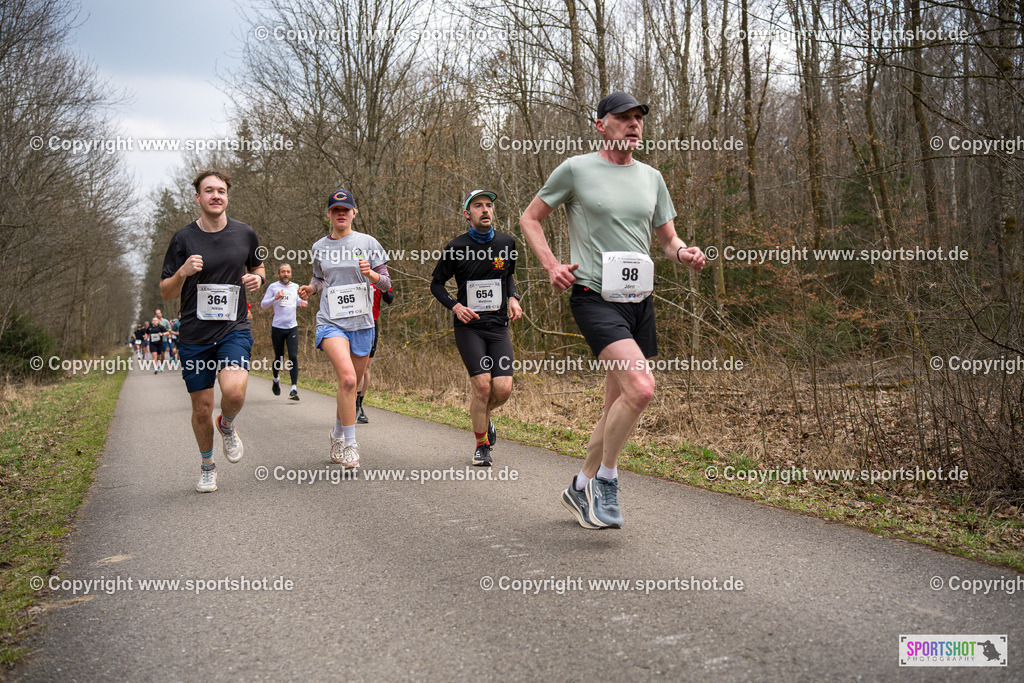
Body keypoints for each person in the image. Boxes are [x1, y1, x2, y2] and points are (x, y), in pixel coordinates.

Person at [520, 91, 706, 529]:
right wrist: (551, 265)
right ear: (600, 124)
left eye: (639, 117)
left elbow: (667, 240)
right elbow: (530, 218)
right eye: (623, 117)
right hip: (594, 296)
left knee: (617, 404)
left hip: (639, 301)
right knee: (641, 389)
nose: (634, 123)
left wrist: (686, 255)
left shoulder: (652, 178)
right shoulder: (577, 169)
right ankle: (606, 478)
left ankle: (579, 487)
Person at [160, 170, 265, 493]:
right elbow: (166, 291)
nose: (215, 196)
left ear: (227, 197)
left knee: (233, 392)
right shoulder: (182, 239)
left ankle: (228, 425)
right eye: (209, 191)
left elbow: (258, 266)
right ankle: (208, 466)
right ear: (198, 198)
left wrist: (258, 279)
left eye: (221, 190)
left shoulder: (245, 233)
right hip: (194, 335)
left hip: (234, 328)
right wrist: (182, 272)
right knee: (202, 408)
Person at [298, 189, 391, 469]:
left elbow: (387, 284)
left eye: (346, 209)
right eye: (335, 210)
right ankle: (351, 444)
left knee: (349, 386)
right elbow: (318, 278)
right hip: (331, 322)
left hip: (362, 323)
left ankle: (337, 433)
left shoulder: (368, 243)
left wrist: (372, 274)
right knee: (349, 380)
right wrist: (310, 289)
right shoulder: (319, 247)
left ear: (353, 213)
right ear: (329, 214)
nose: (341, 214)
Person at [431, 190, 522, 466]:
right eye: (478, 206)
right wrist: (455, 306)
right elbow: (436, 285)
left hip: (497, 327)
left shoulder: (508, 243)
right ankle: (482, 445)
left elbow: (508, 277)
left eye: (489, 205)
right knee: (483, 387)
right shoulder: (455, 247)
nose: (485, 210)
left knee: (503, 389)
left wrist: (513, 298)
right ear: (467, 213)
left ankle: (483, 418)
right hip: (469, 327)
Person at [261, 263, 307, 400]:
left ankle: (294, 389)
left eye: (288, 272)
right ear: (278, 274)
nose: (285, 274)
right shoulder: (273, 287)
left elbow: (297, 301)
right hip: (277, 328)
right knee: (279, 357)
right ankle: (275, 378)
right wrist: (275, 297)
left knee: (293, 356)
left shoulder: (296, 287)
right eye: (283, 272)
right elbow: (263, 305)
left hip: (292, 327)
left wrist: (302, 303)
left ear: (291, 274)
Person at [355, 284, 394, 423]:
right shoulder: (352, 269)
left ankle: (358, 406)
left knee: (365, 368)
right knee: (352, 368)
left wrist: (384, 290)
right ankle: (349, 401)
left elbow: (389, 299)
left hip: (371, 324)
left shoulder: (379, 275)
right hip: (351, 323)